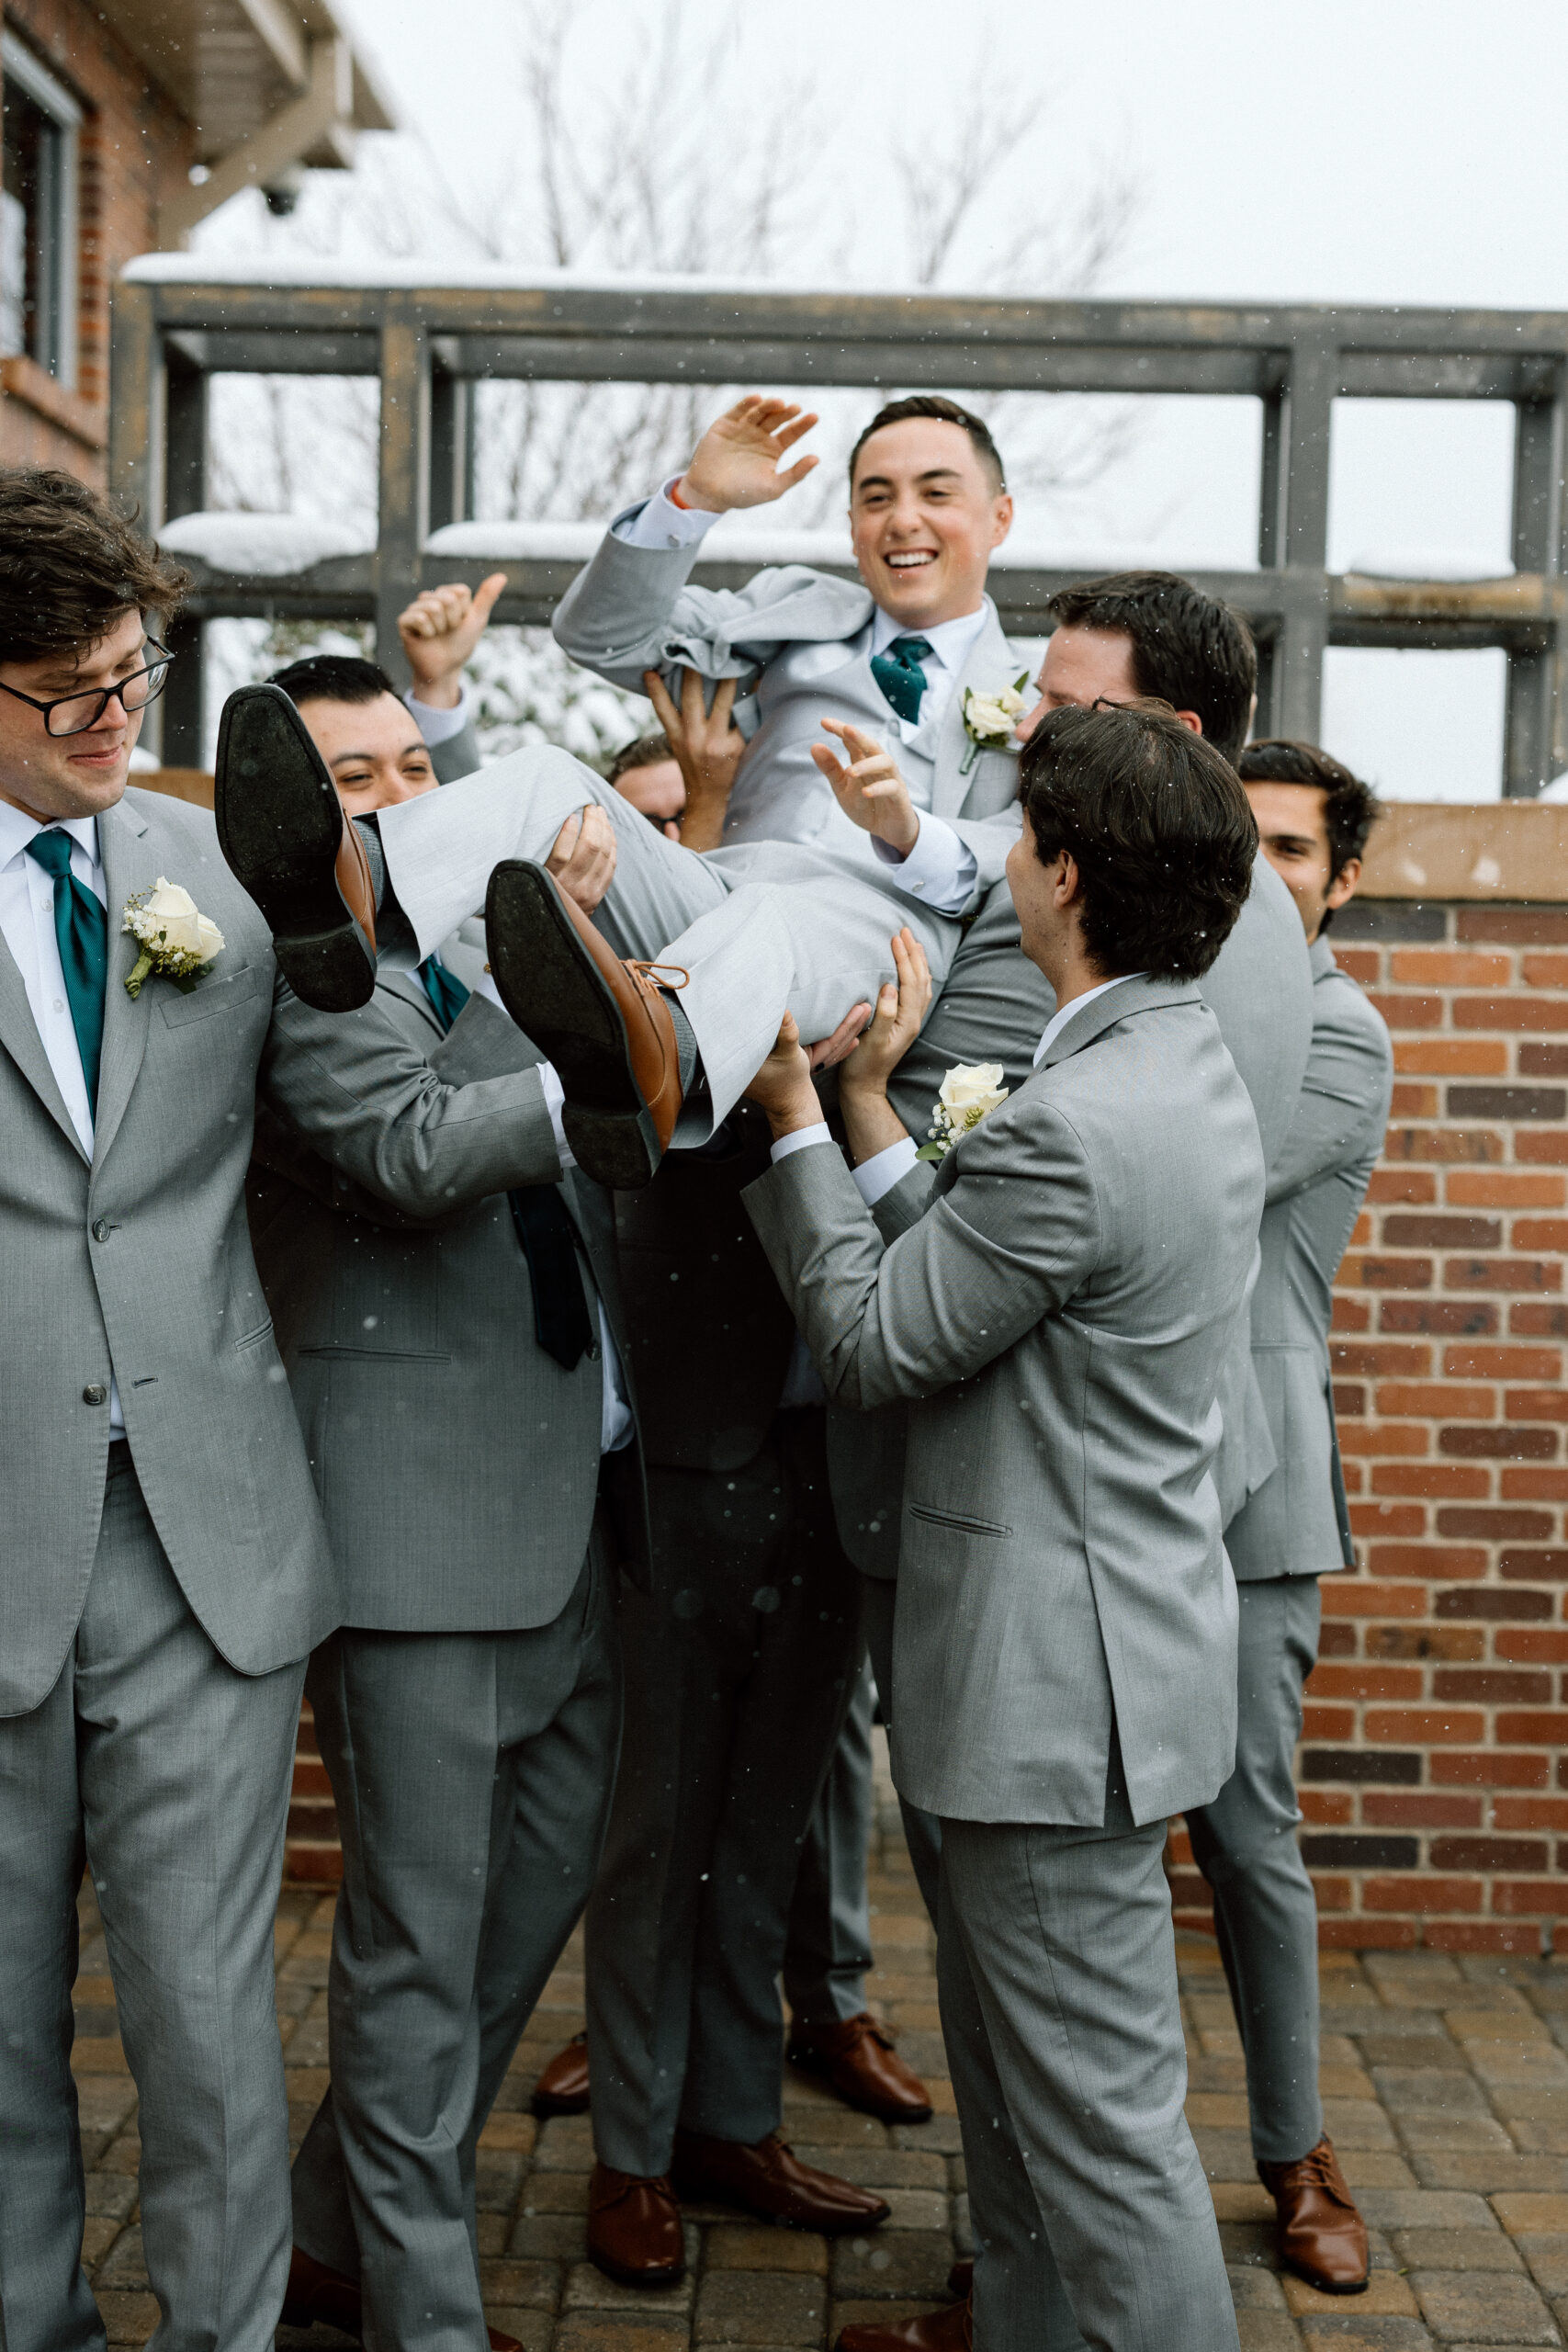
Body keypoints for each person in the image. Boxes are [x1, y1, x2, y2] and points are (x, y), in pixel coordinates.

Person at [0, 471, 611, 2352]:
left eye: (139, 672)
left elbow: (379, 1108)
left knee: (203, 2018)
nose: (122, 718)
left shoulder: (212, 878)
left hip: (209, 1541)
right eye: (71, 693)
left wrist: (597, 1027)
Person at [742, 700, 1264, 2352]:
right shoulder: (1167, 1059)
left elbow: (883, 1339)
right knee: (1027, 2125)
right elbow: (1006, 1284)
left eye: (1019, 831)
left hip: (1050, 1703)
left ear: (1065, 871)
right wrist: (886, 1111)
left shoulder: (1080, 1116)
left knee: (1102, 2145)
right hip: (1105, 1663)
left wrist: (796, 1123)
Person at [243, 652, 649, 2352]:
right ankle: (423, 2313)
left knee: (536, 1899)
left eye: (418, 765)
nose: (404, 797)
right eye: (358, 778)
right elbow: (411, 1156)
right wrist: (596, 1034)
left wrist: (565, 967)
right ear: (290, 822)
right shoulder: (307, 982)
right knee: (417, 1949)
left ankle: (336, 2213)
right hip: (419, 1540)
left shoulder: (463, 947)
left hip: (575, 1506)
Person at [1183, 737, 1392, 2295]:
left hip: (1252, 1491)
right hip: (1095, 1482)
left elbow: (1198, 1175)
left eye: (1293, 854)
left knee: (1250, 1836)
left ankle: (1297, 2150)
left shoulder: (1339, 1035)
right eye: (1234, 847)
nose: (1261, 880)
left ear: (1342, 880)